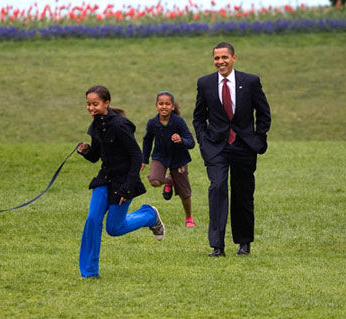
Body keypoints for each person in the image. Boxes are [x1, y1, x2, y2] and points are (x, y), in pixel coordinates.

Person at [77, 85, 165, 279]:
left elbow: (136, 156)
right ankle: (90, 272)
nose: (91, 108)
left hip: (123, 182)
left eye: (95, 104)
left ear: (106, 103)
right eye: (88, 104)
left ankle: (149, 215)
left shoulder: (120, 125)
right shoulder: (96, 126)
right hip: (105, 180)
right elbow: (95, 157)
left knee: (114, 229)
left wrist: (127, 188)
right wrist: (85, 151)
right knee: (93, 220)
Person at [192, 42, 271, 257]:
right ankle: (217, 246)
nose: (220, 62)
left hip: (244, 147)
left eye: (224, 57)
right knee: (217, 188)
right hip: (216, 147)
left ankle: (244, 243)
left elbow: (264, 114)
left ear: (234, 58)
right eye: (217, 58)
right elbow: (198, 117)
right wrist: (203, 141)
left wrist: (259, 139)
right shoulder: (205, 83)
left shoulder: (251, 82)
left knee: (242, 193)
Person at [141, 91, 196, 227]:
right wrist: (144, 160)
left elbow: (191, 142)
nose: (164, 106)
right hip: (160, 156)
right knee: (154, 180)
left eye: (167, 104)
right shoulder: (152, 123)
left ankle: (188, 217)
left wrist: (181, 140)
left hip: (179, 158)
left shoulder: (178, 122)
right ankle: (169, 180)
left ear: (172, 106)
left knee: (184, 193)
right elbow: (147, 141)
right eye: (161, 104)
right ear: (156, 106)